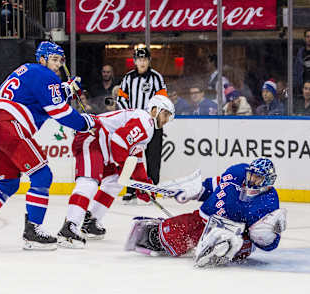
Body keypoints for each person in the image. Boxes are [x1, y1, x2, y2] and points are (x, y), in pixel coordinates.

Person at [0, 41, 98, 251]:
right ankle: (33, 231)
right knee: (42, 176)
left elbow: (35, 99)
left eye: (60, 60)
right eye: (53, 59)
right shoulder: (45, 74)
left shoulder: (27, 71)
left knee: (9, 182)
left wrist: (65, 91)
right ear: (42, 59)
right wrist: (87, 122)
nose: (58, 64)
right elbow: (59, 112)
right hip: (9, 125)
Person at [56, 95, 175, 248]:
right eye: (165, 115)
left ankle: (90, 220)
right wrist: (124, 166)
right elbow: (119, 141)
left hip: (103, 144)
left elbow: (136, 158)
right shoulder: (146, 121)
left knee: (114, 181)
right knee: (89, 181)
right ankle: (69, 227)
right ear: (154, 110)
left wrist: (143, 185)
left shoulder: (148, 127)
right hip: (92, 135)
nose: (166, 120)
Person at [125, 158, 286, 267]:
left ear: (268, 180)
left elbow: (268, 243)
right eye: (251, 174)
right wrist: (194, 191)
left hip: (236, 234)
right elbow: (214, 186)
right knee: (155, 236)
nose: (251, 179)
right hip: (204, 220)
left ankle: (223, 247)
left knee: (227, 244)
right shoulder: (237, 173)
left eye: (257, 177)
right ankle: (161, 230)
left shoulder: (269, 202)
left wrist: (268, 235)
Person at [117, 47, 168, 203]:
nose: (142, 62)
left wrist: (154, 118)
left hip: (153, 125)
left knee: (153, 158)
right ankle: (131, 189)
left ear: (149, 60)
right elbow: (121, 98)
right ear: (135, 61)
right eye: (139, 59)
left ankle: (151, 189)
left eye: (145, 59)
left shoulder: (156, 78)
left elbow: (162, 101)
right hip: (135, 125)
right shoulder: (128, 78)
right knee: (132, 157)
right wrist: (130, 114)